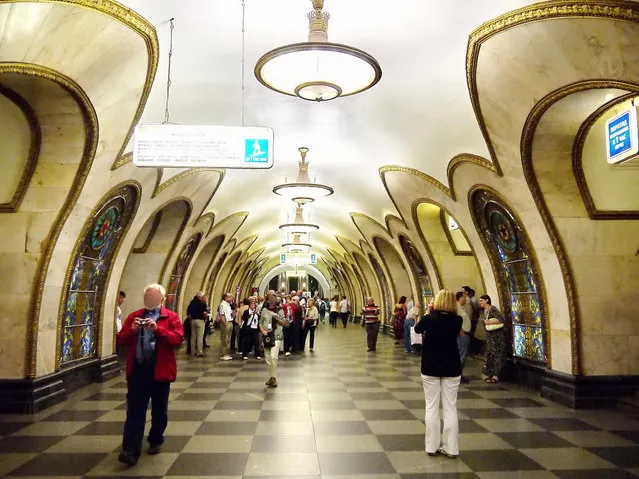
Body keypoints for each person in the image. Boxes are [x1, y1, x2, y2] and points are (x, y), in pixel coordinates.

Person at [116, 284, 184, 466]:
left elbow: (177, 338)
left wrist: (158, 330)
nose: (150, 301)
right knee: (135, 411)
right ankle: (130, 449)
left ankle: (155, 438)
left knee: (159, 409)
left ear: (161, 299)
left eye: (153, 298)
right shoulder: (135, 316)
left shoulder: (171, 317)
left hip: (160, 371)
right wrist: (132, 330)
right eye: (147, 298)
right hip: (138, 371)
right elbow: (121, 339)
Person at [414, 289, 463, 458]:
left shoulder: (429, 318)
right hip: (452, 367)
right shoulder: (458, 320)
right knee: (450, 407)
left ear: (437, 301)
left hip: (430, 366)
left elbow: (417, 329)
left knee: (431, 406)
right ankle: (451, 449)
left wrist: (429, 311)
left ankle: (432, 447)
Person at [259, 290, 286, 388]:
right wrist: (262, 331)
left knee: (273, 357)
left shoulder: (280, 309)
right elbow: (260, 322)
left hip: (277, 336)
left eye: (274, 297)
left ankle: (273, 378)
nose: (272, 299)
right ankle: (270, 377)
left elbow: (286, 323)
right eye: (270, 297)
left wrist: (278, 318)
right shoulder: (265, 310)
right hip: (267, 337)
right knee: (268, 359)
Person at [479, 294, 506, 384]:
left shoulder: (493, 309)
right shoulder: (485, 311)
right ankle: (490, 374)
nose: (480, 303)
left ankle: (496, 375)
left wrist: (489, 322)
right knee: (491, 355)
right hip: (491, 338)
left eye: (481, 300)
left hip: (497, 337)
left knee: (498, 355)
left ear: (487, 300)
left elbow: (502, 319)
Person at [456, 291, 472, 383]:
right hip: (462, 335)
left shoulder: (461, 307)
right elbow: (457, 320)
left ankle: (458, 373)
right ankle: (458, 374)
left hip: (464, 333)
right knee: (461, 355)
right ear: (459, 298)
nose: (466, 299)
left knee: (461, 355)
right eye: (464, 297)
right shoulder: (457, 308)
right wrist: (461, 331)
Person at [186, 292, 208, 357]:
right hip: (200, 321)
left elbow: (188, 313)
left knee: (193, 336)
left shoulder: (192, 302)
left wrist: (191, 320)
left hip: (193, 320)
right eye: (204, 296)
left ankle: (193, 351)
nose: (205, 297)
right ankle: (199, 352)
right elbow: (204, 313)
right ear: (201, 297)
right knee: (200, 337)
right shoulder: (203, 303)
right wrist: (205, 318)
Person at [218, 293, 234, 361]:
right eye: (229, 297)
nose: (231, 298)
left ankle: (227, 353)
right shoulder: (222, 305)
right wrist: (224, 323)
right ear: (225, 298)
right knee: (224, 339)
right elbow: (221, 315)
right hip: (226, 323)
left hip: (230, 322)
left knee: (228, 339)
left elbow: (230, 313)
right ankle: (223, 354)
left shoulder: (228, 305)